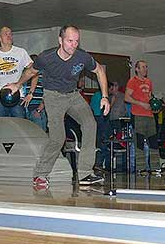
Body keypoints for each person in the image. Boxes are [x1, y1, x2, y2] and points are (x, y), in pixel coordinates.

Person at [8, 25, 110, 187]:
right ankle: (40, 175)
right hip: (53, 97)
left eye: (76, 41)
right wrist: (17, 84)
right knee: (58, 137)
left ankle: (85, 173)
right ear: (60, 40)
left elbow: (99, 71)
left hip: (73, 95)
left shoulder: (82, 57)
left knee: (91, 124)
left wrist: (104, 96)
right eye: (70, 41)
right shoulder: (46, 57)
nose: (74, 45)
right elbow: (31, 72)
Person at [125, 60, 157, 171]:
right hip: (138, 115)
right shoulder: (132, 81)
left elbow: (149, 96)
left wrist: (153, 104)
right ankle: (141, 168)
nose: (145, 69)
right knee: (139, 142)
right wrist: (141, 104)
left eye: (146, 67)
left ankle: (155, 168)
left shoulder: (149, 82)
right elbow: (127, 97)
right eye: (143, 67)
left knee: (153, 141)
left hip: (150, 115)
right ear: (137, 69)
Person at [21, 54, 47, 131]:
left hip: (37, 109)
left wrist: (40, 108)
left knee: (40, 134)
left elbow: (47, 92)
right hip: (26, 110)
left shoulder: (43, 74)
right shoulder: (25, 75)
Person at [90, 83, 111, 173]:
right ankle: (101, 164)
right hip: (101, 118)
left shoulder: (95, 95)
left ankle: (96, 164)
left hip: (94, 118)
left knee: (97, 142)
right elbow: (106, 109)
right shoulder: (104, 97)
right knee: (103, 141)